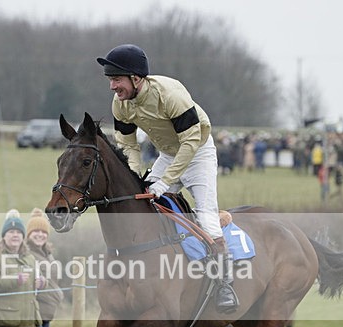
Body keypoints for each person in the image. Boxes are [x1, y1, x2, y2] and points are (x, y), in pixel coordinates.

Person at [97, 44, 238, 313]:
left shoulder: (170, 94)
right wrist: (138, 178)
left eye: (116, 79)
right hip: (168, 154)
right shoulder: (120, 104)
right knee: (142, 202)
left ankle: (225, 284)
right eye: (110, 80)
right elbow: (128, 146)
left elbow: (189, 143)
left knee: (207, 218)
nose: (112, 87)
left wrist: (165, 181)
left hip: (198, 152)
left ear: (136, 78)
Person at [25, 208, 64, 327]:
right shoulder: (27, 254)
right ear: (28, 234)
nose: (40, 235)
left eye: (43, 232)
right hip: (34, 310)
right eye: (35, 231)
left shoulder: (48, 253)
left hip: (48, 311)